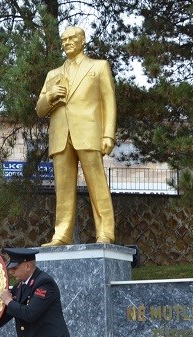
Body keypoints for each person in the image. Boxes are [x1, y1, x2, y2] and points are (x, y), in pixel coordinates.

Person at [35, 26, 117, 246]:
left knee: (97, 184)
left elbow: (109, 102)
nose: (67, 42)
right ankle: (61, 234)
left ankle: (105, 232)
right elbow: (40, 109)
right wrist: (50, 96)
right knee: (63, 188)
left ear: (83, 40)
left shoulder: (98, 67)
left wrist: (108, 134)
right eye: (64, 39)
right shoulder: (53, 74)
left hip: (89, 133)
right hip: (61, 136)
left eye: (72, 38)